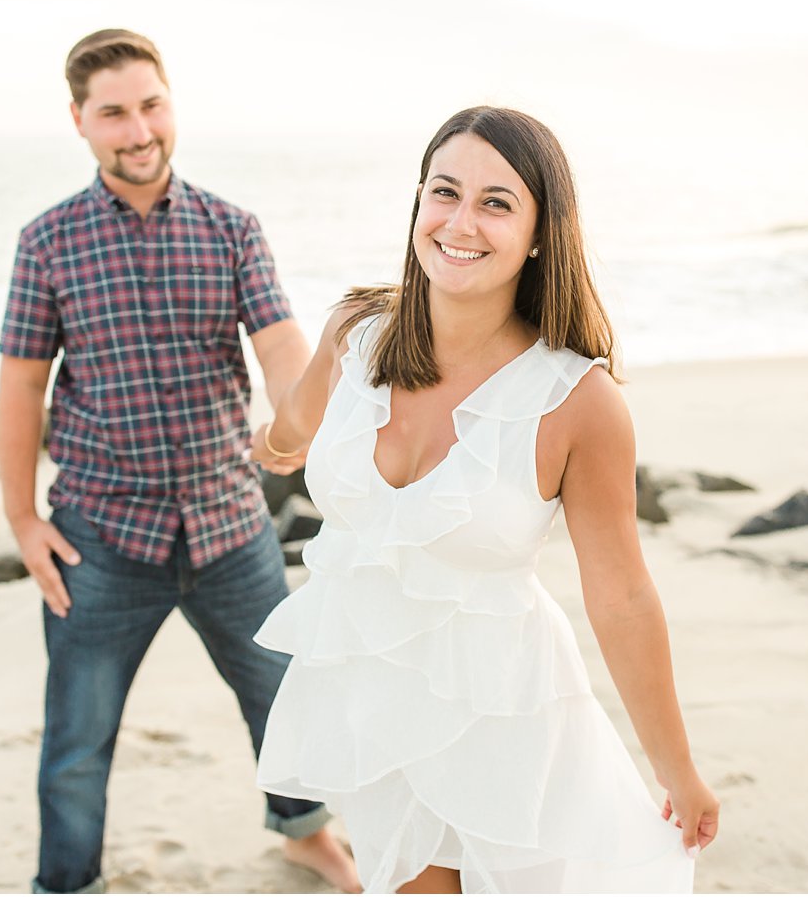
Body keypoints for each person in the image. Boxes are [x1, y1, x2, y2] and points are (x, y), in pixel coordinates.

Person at [247, 106, 719, 894]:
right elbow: (293, 421)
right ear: (418, 205)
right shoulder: (356, 333)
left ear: (539, 231)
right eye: (445, 192)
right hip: (373, 697)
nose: (460, 222)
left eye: (497, 202)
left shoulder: (578, 401)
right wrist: (267, 444)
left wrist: (678, 769)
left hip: (504, 715)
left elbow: (623, 594)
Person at [0, 28, 359, 895]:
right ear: (80, 121)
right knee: (77, 738)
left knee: (285, 700)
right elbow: (20, 389)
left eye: (150, 105)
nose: (138, 129)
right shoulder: (47, 241)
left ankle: (305, 832)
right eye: (113, 112)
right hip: (101, 537)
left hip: (232, 525)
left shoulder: (232, 229)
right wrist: (21, 518)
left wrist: (298, 418)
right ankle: (66, 882)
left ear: (171, 105)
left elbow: (279, 349)